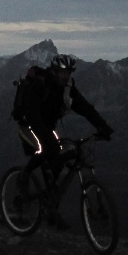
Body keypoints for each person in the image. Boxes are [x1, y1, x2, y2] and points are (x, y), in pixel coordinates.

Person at [14, 53, 113, 228]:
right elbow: (32, 114)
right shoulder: (40, 84)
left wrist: (102, 126)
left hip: (47, 127)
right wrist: (46, 136)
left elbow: (84, 108)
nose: (65, 75)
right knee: (48, 149)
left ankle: (51, 207)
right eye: (61, 72)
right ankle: (25, 174)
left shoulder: (67, 88)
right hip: (29, 125)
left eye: (68, 72)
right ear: (53, 71)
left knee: (64, 156)